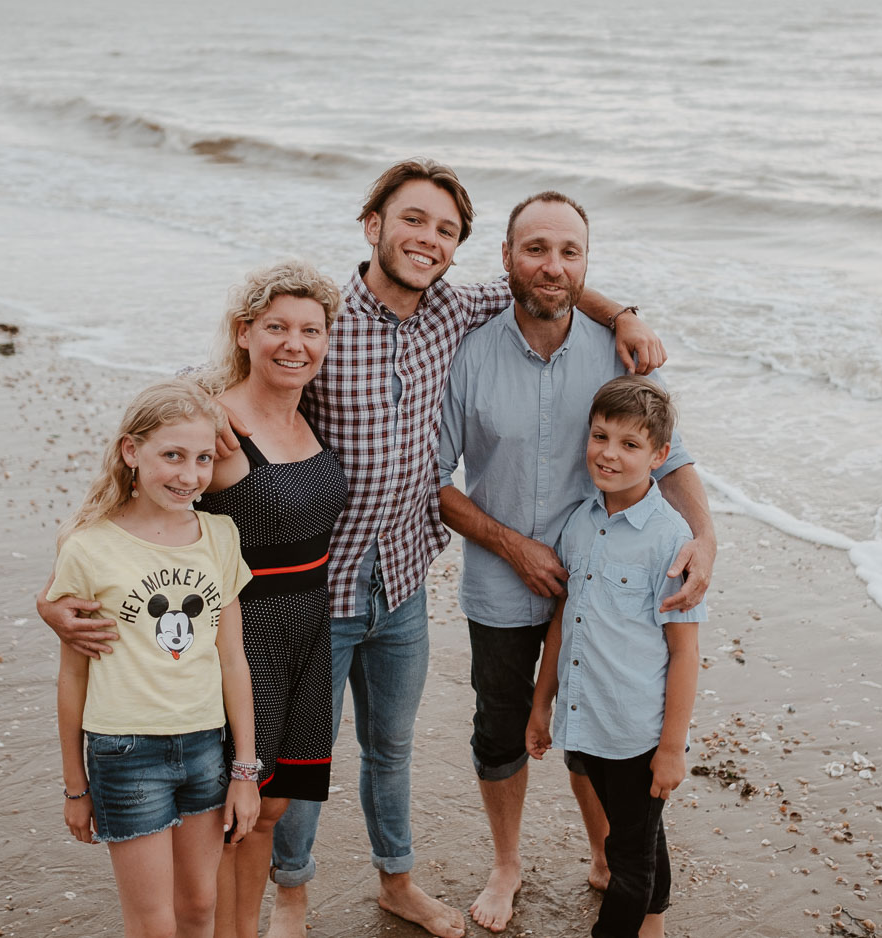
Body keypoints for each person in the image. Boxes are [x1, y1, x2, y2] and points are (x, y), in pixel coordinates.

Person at [46, 158, 666, 938]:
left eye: (445, 230)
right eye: (413, 220)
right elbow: (189, 409)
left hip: (402, 579)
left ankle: (396, 883)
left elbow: (546, 280)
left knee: (391, 749)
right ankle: (294, 895)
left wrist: (627, 316)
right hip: (316, 590)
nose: (428, 239)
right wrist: (72, 577)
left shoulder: (455, 305)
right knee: (291, 776)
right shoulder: (323, 324)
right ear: (373, 225)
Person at [436, 191, 715, 932]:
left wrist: (707, 541)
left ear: (586, 264)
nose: (552, 266)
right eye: (535, 249)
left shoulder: (617, 354)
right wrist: (513, 547)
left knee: (596, 733)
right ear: (505, 259)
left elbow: (674, 459)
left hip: (604, 587)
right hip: (499, 584)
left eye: (569, 252)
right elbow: (432, 483)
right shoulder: (469, 354)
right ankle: (507, 865)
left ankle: (609, 854)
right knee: (501, 731)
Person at [52, 378, 261, 938]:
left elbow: (232, 658)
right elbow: (72, 676)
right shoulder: (89, 546)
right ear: (131, 452)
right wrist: (76, 787)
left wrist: (245, 768)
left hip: (204, 749)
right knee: (153, 923)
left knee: (198, 909)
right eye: (171, 455)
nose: (188, 475)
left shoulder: (219, 535)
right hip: (126, 752)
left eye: (199, 459)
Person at [195, 262, 348, 938]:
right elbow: (122, 501)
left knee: (277, 803)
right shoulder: (216, 423)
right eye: (277, 327)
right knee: (236, 809)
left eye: (311, 330)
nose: (295, 343)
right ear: (244, 333)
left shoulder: (308, 412)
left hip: (311, 632)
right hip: (247, 634)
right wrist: (62, 595)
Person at [526, 376, 704, 938]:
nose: (609, 453)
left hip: (636, 729)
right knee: (640, 834)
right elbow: (565, 618)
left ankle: (634, 922)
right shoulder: (581, 522)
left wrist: (672, 749)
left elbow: (684, 653)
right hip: (587, 717)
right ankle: (655, 923)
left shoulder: (669, 540)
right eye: (600, 436)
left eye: (630, 445)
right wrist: (541, 704)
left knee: (628, 860)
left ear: (659, 455)